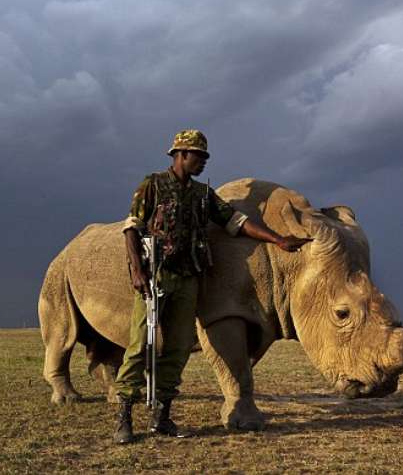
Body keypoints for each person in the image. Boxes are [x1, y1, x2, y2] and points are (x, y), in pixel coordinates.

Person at [113, 129, 308, 444]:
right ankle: (124, 418)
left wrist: (279, 239)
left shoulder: (204, 195)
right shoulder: (153, 185)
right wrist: (137, 270)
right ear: (181, 155)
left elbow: (236, 222)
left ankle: (161, 418)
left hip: (190, 279)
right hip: (156, 276)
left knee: (177, 350)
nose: (203, 163)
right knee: (141, 346)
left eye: (205, 158)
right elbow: (131, 229)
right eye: (199, 157)